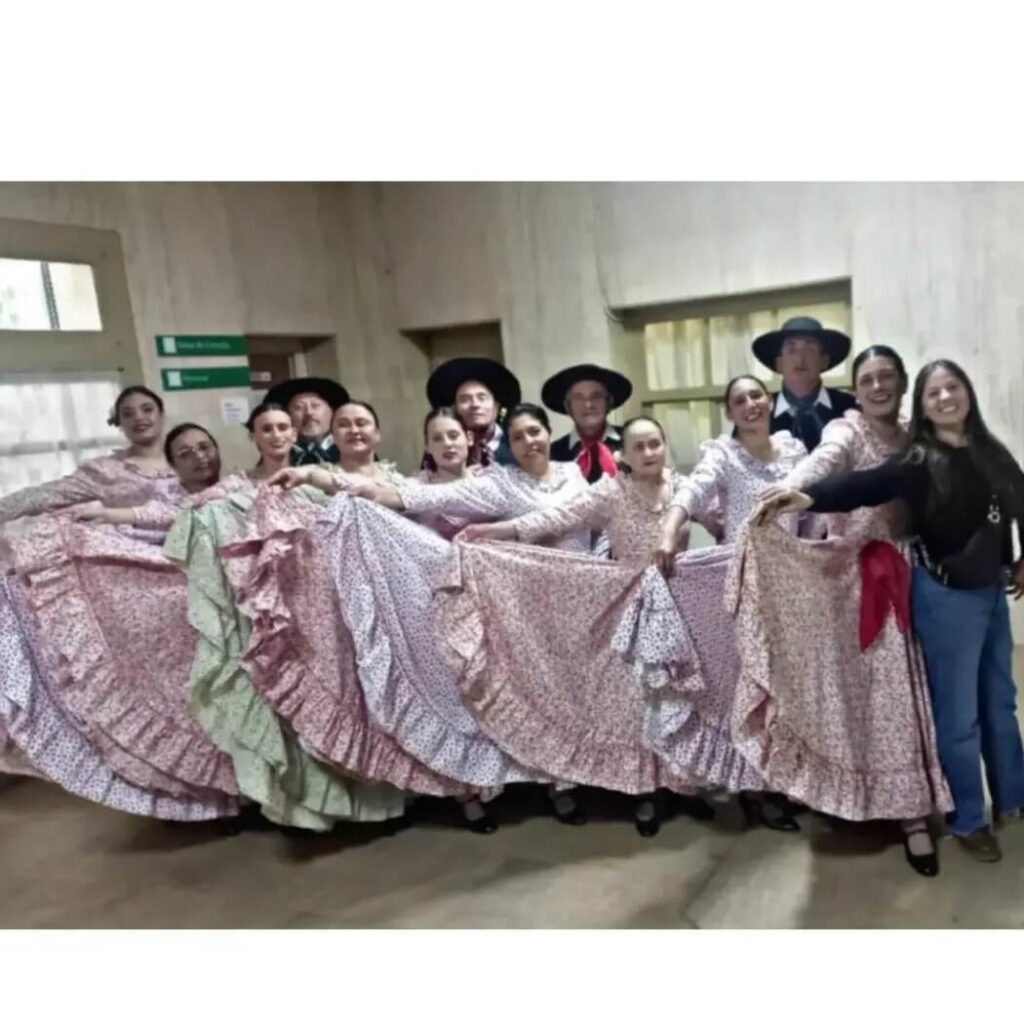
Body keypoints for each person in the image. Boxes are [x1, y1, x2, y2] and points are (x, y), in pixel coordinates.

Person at [752, 359, 1024, 863]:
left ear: (967, 393)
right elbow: (864, 484)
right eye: (934, 392)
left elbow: (1018, 499)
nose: (945, 398)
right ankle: (968, 818)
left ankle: (1013, 800)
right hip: (946, 597)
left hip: (990, 594)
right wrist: (803, 496)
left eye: (953, 388)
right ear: (921, 404)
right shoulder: (919, 458)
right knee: (960, 716)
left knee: (1001, 705)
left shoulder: (989, 451)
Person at [277, 403, 594, 825]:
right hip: (479, 604)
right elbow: (402, 497)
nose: (528, 441)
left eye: (534, 432)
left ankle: (563, 779)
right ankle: (502, 788)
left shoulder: (542, 477)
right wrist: (318, 476)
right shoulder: (470, 485)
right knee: (492, 694)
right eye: (518, 436)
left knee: (548, 691)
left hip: (542, 600)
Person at [736, 347, 950, 877]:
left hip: (912, 570)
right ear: (855, 388)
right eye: (867, 379)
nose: (877, 387)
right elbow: (823, 462)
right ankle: (849, 791)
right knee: (853, 687)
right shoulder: (847, 429)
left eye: (886, 378)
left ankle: (911, 813)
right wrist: (792, 488)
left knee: (907, 691)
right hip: (849, 576)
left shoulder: (915, 435)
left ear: (902, 384)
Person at [458, 415, 715, 837]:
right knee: (641, 703)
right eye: (639, 447)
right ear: (624, 456)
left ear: (665, 444)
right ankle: (646, 793)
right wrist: (498, 531)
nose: (649, 453)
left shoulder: (684, 489)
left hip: (682, 606)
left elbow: (721, 519)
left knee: (682, 699)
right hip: (629, 609)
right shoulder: (611, 492)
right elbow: (557, 519)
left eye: (655, 444)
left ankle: (685, 785)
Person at [653, 375, 808, 831]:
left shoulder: (795, 450)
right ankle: (753, 790)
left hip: (795, 586)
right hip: (746, 586)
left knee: (788, 688)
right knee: (752, 686)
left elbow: (816, 507)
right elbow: (692, 491)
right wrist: (668, 531)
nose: (750, 405)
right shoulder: (724, 454)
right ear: (731, 412)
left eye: (756, 396)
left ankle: (784, 778)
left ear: (771, 401)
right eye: (739, 400)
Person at [0, 385, 184, 525]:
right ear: (120, 424)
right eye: (128, 414)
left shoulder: (191, 459)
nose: (138, 417)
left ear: (162, 415)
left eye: (147, 409)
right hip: (141, 560)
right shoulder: (105, 470)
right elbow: (42, 496)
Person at [77, 423, 223, 529]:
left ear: (217, 449)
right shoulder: (168, 495)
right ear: (173, 466)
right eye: (184, 454)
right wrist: (106, 515)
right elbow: (157, 513)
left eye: (204, 447)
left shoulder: (236, 487)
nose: (199, 456)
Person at [752, 316, 857, 451]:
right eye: (792, 350)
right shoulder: (759, 412)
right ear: (779, 363)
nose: (800, 359)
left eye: (810, 350)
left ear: (824, 361)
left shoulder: (849, 408)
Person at [542, 363, 632, 483]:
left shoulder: (632, 440)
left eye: (596, 396)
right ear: (567, 406)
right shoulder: (554, 453)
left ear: (609, 402)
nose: (588, 405)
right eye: (578, 398)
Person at [425, 357, 521, 467]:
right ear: (455, 408)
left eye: (482, 397)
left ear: (496, 406)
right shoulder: (443, 447)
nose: (475, 405)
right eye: (465, 399)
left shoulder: (517, 441)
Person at [263, 377, 350, 467]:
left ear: (332, 412)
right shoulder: (277, 454)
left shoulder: (350, 448)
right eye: (299, 407)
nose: (309, 412)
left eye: (315, 406)